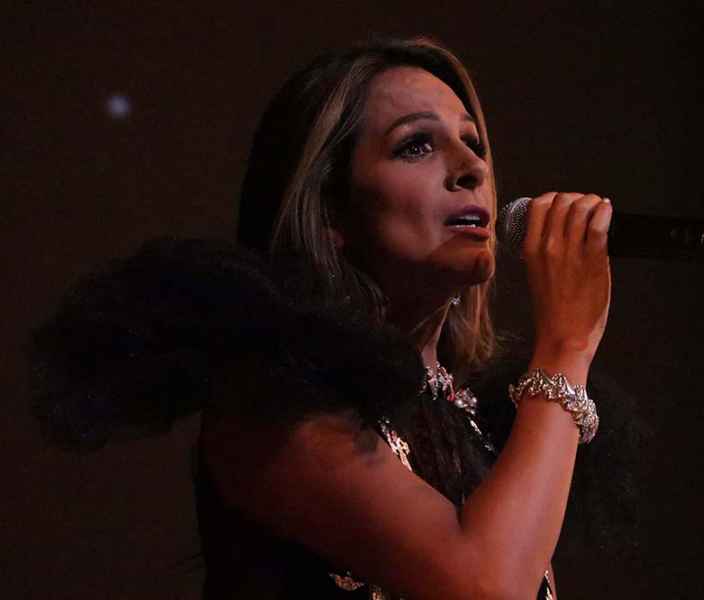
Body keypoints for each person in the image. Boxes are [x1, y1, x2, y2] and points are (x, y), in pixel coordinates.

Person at [30, 36, 639, 600]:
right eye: (416, 145)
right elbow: (487, 586)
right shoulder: (277, 407)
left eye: (473, 144)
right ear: (330, 213)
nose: (472, 168)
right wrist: (566, 345)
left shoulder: (477, 422)